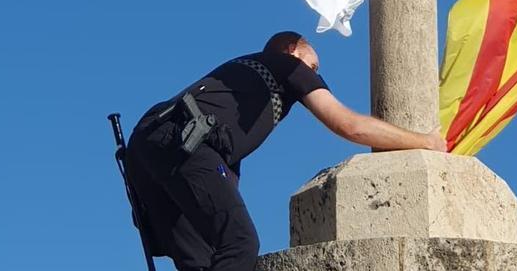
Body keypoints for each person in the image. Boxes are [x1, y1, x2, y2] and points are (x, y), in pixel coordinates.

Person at [124, 31, 447, 271]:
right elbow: (349, 125)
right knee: (240, 244)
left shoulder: (238, 83)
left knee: (202, 261)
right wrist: (424, 141)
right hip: (186, 144)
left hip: (148, 148)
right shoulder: (286, 66)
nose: (315, 75)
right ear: (293, 51)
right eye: (314, 66)